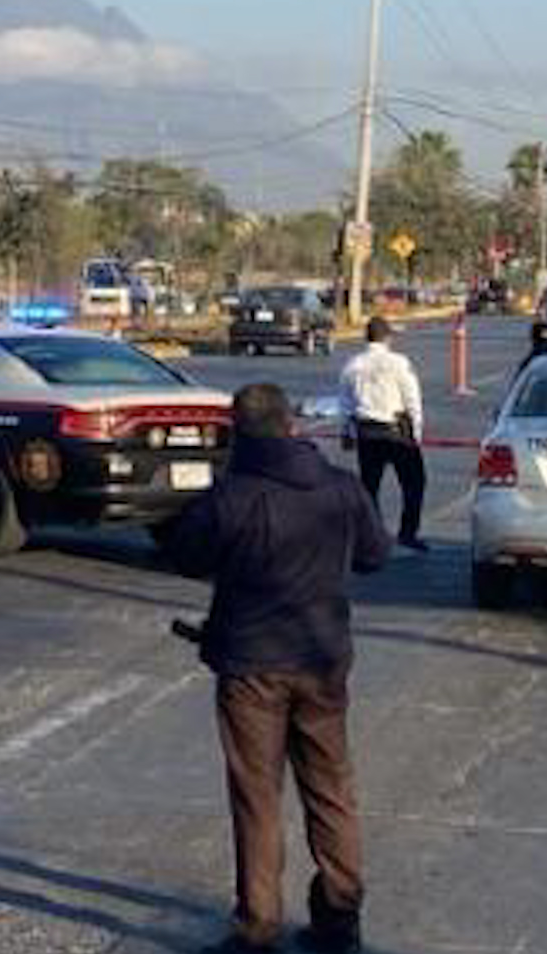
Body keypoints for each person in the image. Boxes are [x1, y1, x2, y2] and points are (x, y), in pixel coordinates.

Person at [171, 383, 391, 954]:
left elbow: (185, 554)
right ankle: (340, 920)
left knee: (257, 795)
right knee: (331, 790)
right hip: (322, 659)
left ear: (237, 433)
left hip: (250, 664)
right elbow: (374, 556)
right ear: (292, 425)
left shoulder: (231, 496)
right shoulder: (341, 487)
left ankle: (258, 925)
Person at [333, 317, 429, 552]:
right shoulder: (398, 362)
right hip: (396, 430)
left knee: (370, 486)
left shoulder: (353, 364)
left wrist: (346, 431)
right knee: (414, 483)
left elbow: (345, 402)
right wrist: (416, 431)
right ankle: (407, 533)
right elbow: (411, 398)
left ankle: (373, 536)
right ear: (387, 337)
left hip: (366, 431)